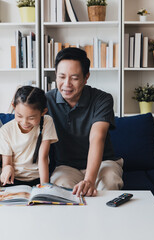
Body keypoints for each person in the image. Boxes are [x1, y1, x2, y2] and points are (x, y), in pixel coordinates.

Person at [46, 47, 124, 197]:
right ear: (55, 75)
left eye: (74, 78)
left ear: (86, 77)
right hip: (66, 166)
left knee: (108, 182)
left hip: (103, 162)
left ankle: (105, 221)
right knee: (62, 188)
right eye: (61, 77)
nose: (67, 84)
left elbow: (97, 138)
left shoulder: (102, 99)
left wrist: (89, 180)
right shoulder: (46, 101)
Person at [0, 86, 58, 186]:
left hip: (38, 177)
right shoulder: (5, 130)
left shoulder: (47, 121)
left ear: (43, 112)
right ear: (13, 107)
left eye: (31, 118)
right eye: (19, 116)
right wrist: (7, 169)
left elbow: (43, 157)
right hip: (13, 179)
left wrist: (45, 186)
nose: (24, 122)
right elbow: (6, 163)